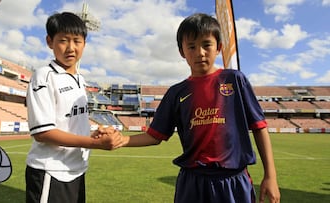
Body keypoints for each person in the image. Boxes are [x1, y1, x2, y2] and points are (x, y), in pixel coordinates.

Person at [121, 13, 281, 203]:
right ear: (182, 52)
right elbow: (154, 136)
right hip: (192, 183)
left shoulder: (235, 80)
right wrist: (121, 140)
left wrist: (270, 176)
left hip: (233, 181)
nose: (200, 52)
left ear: (219, 48)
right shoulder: (176, 93)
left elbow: (259, 127)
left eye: (206, 45)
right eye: (191, 46)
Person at [25, 12, 123, 203]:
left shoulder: (80, 79)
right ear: (49, 41)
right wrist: (94, 144)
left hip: (76, 169)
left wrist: (94, 134)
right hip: (50, 171)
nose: (71, 48)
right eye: (63, 40)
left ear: (84, 44)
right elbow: (43, 132)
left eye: (77, 41)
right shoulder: (44, 76)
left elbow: (72, 121)